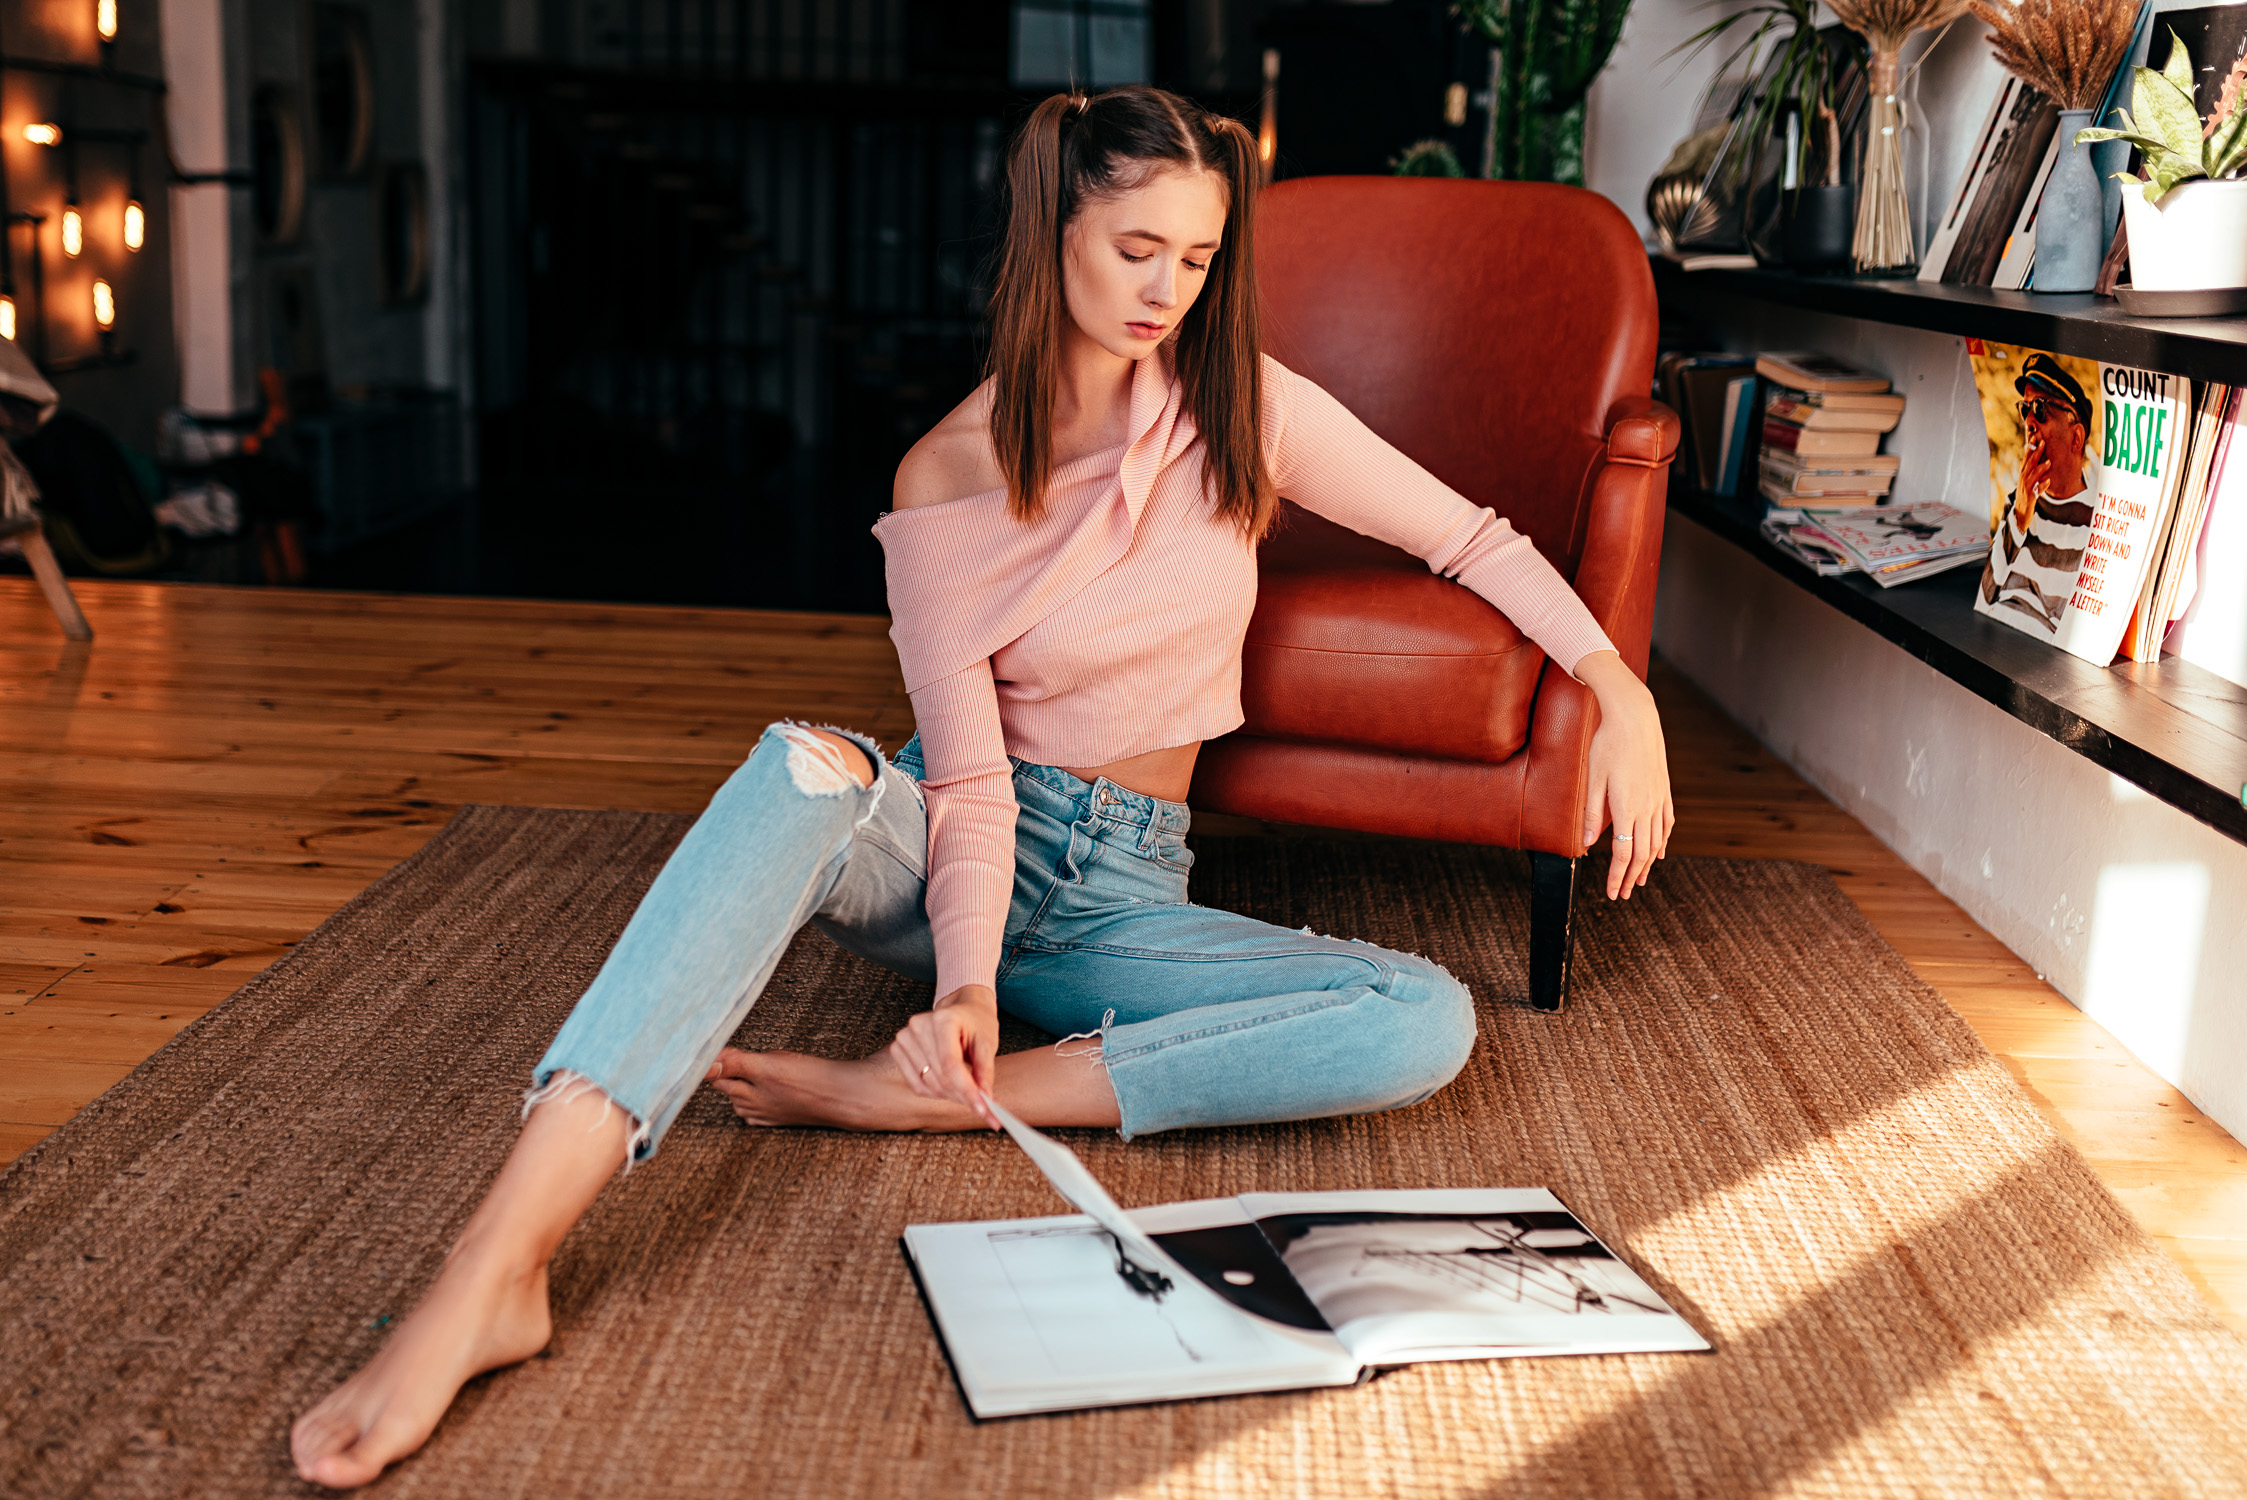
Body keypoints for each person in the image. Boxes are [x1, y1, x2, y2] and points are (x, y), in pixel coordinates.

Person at [289, 84, 1675, 1489]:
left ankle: (955, 1097)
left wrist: (1614, 686)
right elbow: (964, 778)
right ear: (1051, 225)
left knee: (1417, 1018)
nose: (1165, 289)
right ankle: (496, 1265)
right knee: (801, 768)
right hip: (948, 842)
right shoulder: (946, 473)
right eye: (1134, 247)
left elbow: (1472, 540)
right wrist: (955, 983)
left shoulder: (1241, 407)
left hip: (1121, 887)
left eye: (1195, 259)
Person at [1979, 353, 2096, 632]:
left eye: (2041, 408)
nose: (2029, 422)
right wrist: (2019, 517)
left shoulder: (2095, 524)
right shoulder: (2019, 504)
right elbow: (1984, 599)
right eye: (2025, 409)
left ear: (2076, 438)